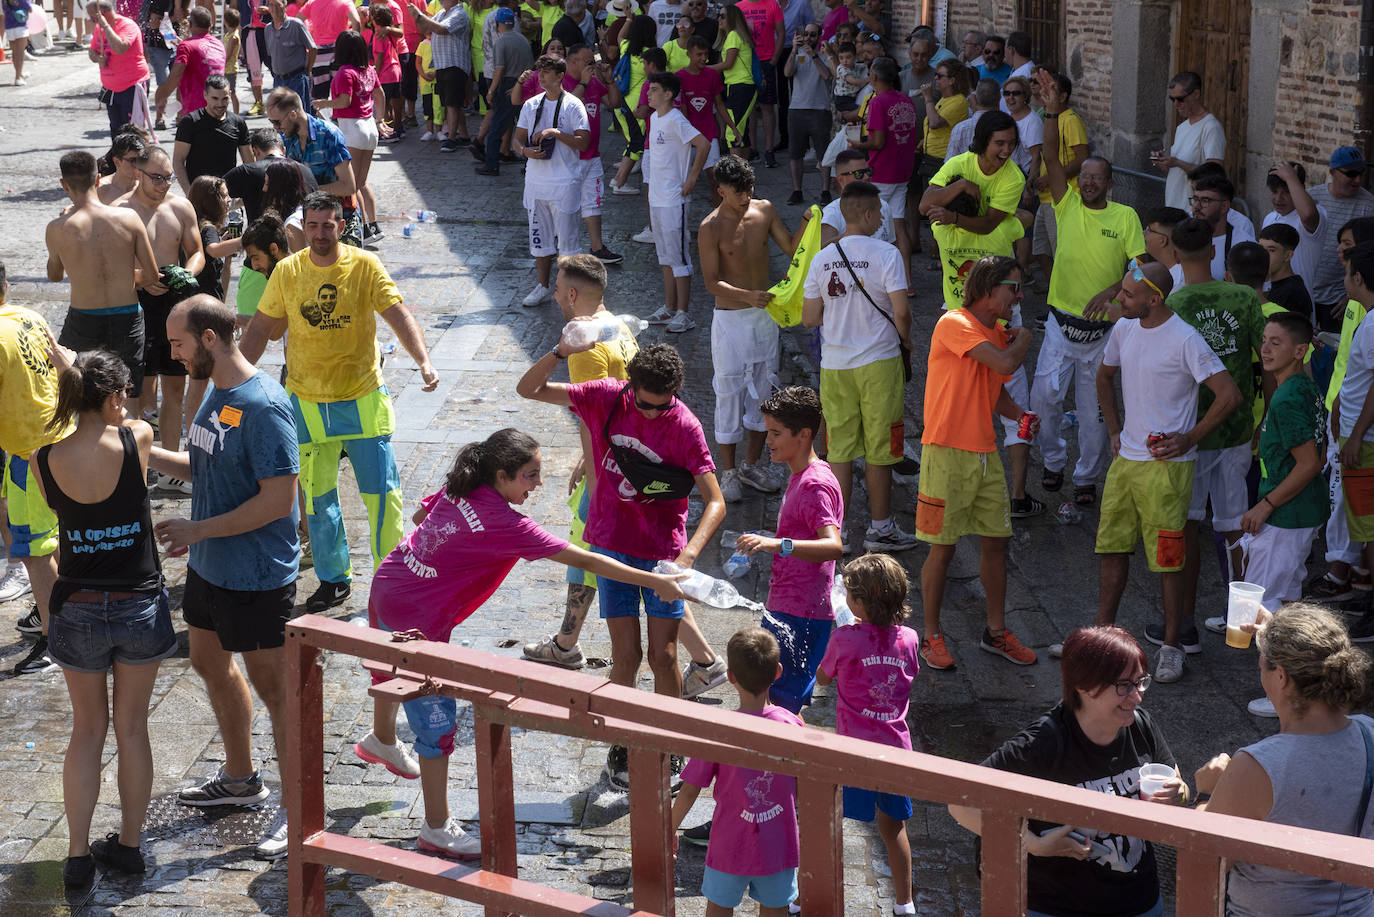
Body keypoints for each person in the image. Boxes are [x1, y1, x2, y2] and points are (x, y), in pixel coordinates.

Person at [361, 427, 687, 855]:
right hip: (418, 619)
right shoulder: (508, 524)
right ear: (502, 475)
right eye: (530, 475)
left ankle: (381, 738)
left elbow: (424, 522)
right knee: (438, 724)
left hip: (389, 583)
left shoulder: (465, 482)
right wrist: (651, 579)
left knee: (389, 667)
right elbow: (585, 558)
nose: (538, 484)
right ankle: (436, 828)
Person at [516, 343, 726, 789]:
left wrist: (686, 557)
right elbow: (528, 389)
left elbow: (716, 502)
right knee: (626, 657)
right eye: (644, 404)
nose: (652, 414)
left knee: (664, 656)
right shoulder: (604, 396)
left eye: (661, 405)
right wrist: (558, 351)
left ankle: (667, 743)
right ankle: (626, 740)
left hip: (660, 554)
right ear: (629, 385)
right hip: (611, 546)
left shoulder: (685, 425)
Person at [140, 297, 299, 861]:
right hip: (211, 569)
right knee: (208, 663)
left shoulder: (264, 407)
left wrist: (200, 529)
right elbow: (204, 466)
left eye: (177, 343)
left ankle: (299, 810)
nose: (171, 353)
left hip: (256, 576)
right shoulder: (216, 395)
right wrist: (142, 453)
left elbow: (280, 501)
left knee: (279, 692)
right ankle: (240, 780)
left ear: (208, 339)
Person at [241, 191, 439, 612]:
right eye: (311, 226)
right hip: (307, 402)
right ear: (304, 227)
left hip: (362, 397)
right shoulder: (288, 271)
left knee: (382, 496)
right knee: (318, 499)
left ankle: (392, 575)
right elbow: (261, 329)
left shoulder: (365, 266)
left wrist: (423, 360)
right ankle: (334, 579)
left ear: (342, 224)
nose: (319, 234)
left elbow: (398, 313)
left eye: (327, 225)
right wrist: (233, 380)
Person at [30, 347, 174, 885]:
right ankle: (131, 846)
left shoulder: (43, 459)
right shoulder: (136, 438)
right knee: (132, 730)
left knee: (86, 731)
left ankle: (76, 855)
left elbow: (53, 512)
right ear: (114, 396)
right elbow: (132, 423)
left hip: (79, 607)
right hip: (137, 603)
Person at [949, 626, 1185, 917]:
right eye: (1124, 685)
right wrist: (1033, 844)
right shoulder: (1044, 742)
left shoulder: (1142, 725)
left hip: (1138, 900)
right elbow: (960, 800)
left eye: (1140, 682)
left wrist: (1178, 793)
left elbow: (1177, 783)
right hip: (1057, 906)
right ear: (1084, 686)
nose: (1136, 697)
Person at [1092, 261, 1240, 682]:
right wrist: (1115, 429)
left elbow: (1228, 395)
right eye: (1120, 290)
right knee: (1112, 549)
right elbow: (1104, 377)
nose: (1118, 299)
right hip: (1127, 463)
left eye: (1127, 294)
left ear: (1154, 299)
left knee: (1168, 561)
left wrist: (1189, 438)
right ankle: (1101, 636)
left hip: (1168, 469)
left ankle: (1173, 646)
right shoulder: (1124, 328)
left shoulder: (1186, 339)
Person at [1194, 605, 1374, 913]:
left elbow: (1203, 861)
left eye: (1262, 664)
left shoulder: (1258, 766)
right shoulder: (1369, 734)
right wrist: (1283, 630)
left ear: (1281, 676)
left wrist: (1207, 793)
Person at [915, 255, 1039, 670]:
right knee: (942, 550)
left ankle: (996, 632)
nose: (1018, 298)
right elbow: (1005, 363)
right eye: (1013, 288)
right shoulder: (955, 323)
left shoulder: (996, 333)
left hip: (986, 455)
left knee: (995, 546)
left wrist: (1018, 414)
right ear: (988, 287)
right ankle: (930, 636)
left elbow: (995, 387)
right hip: (945, 453)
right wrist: (1024, 338)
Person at [1029, 71, 1146, 505]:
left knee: (1095, 414)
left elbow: (1142, 267)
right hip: (1061, 326)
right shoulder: (1067, 205)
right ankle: (1055, 462)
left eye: (1099, 177)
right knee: (1045, 400)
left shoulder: (1126, 217)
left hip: (1102, 334)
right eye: (1087, 177)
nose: (1091, 182)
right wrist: (1053, 110)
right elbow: (1054, 162)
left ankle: (1085, 478)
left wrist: (1114, 289)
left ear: (1110, 184)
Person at [922, 112, 1040, 517]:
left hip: (956, 322)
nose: (1007, 153)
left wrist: (952, 207)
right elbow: (1007, 222)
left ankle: (960, 479)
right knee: (1013, 406)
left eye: (1011, 145)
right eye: (1000, 145)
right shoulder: (1004, 228)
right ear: (983, 142)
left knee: (965, 402)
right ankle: (1016, 492)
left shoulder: (941, 228)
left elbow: (929, 206)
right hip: (1002, 326)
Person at [1158, 218, 1265, 666]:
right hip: (1238, 427)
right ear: (1215, 251)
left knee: (1187, 525)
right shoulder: (1245, 297)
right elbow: (1268, 359)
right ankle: (1242, 621)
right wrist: (1266, 419)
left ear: (1176, 254)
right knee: (1236, 528)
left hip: (1192, 431)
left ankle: (1183, 623)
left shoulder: (1174, 303)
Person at [1219, 313, 1327, 717]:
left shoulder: (1287, 398)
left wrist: (1265, 505)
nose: (1265, 348)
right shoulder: (1300, 387)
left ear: (1300, 351)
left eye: (1276, 342)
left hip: (1288, 516)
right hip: (1297, 513)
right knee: (1285, 596)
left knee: (1274, 606)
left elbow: (1308, 463)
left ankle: (1287, 691)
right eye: (1264, 340)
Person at [802, 181, 915, 553]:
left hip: (835, 366)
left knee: (840, 451)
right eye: (879, 212)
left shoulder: (821, 258)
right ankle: (881, 527)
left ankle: (839, 531)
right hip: (880, 363)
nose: (882, 218)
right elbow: (901, 310)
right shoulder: (887, 254)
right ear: (867, 214)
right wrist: (906, 338)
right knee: (883, 449)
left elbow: (810, 317)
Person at [670, 627, 803, 917]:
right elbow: (807, 785)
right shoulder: (793, 726)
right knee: (776, 909)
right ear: (778, 671)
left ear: (730, 677)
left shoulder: (721, 731)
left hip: (729, 844)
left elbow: (691, 787)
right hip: (778, 845)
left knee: (718, 909)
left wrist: (668, 828)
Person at [816, 553, 919, 917]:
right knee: (894, 828)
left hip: (852, 751)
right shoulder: (909, 638)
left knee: (831, 822)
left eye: (848, 592)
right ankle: (905, 904)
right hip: (895, 750)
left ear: (858, 603)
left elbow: (824, 678)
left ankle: (808, 896)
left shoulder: (844, 639)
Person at [732, 386, 843, 713]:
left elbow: (833, 545)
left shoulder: (814, 485)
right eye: (768, 432)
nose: (768, 441)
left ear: (804, 435)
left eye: (776, 433)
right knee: (772, 700)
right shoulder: (805, 476)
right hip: (789, 605)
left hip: (800, 613)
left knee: (781, 705)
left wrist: (777, 544)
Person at [698, 154, 796, 498]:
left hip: (763, 316)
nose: (745, 195)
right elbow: (712, 282)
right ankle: (727, 472)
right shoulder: (710, 227)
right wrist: (748, 295)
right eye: (738, 190)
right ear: (721, 190)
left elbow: (793, 248)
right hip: (729, 320)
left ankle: (752, 466)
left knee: (764, 391)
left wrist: (810, 224)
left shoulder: (764, 210)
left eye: (749, 188)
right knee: (728, 393)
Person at [45, 150, 161, 431]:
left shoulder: (58, 228)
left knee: (77, 386)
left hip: (84, 316)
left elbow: (55, 275)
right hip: (127, 315)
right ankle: (130, 454)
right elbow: (151, 275)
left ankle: (85, 454)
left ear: (64, 184)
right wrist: (123, 276)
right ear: (98, 179)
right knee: (128, 389)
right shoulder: (129, 219)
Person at [120, 144, 206, 475]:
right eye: (157, 178)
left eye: (168, 178)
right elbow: (106, 266)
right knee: (135, 392)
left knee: (174, 386)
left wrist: (187, 273)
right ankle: (134, 467)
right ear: (138, 174)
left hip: (172, 301)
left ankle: (170, 465)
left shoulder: (181, 208)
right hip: (135, 304)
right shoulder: (120, 210)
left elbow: (197, 251)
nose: (164, 184)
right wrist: (140, 278)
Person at [0, 277, 67, 676]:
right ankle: (66, 618)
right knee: (54, 541)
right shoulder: (29, 316)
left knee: (35, 553)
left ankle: (56, 640)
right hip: (56, 438)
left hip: (30, 451)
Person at [511, 54, 589, 307]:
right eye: (539, 71)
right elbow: (517, 139)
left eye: (546, 72)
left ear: (559, 76)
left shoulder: (573, 105)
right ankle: (543, 286)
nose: (541, 76)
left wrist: (557, 133)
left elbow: (584, 142)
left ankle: (569, 291)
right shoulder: (531, 104)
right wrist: (524, 151)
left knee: (567, 243)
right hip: (536, 183)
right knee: (539, 239)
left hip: (565, 183)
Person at [640, 70, 710, 331]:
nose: (649, 92)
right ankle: (669, 308)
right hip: (657, 198)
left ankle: (685, 313)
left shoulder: (676, 119)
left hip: (674, 200)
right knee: (665, 256)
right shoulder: (655, 119)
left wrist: (692, 179)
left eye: (654, 89)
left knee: (679, 257)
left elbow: (703, 144)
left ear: (668, 94)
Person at [1333, 241, 1374, 642]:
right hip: (1357, 436)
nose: (1343, 280)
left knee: (1370, 527)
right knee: (1364, 527)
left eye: (1346, 273)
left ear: (1358, 278)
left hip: (1366, 443)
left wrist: (1356, 434)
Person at [314, 30, 388, 244]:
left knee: (350, 185)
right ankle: (373, 226)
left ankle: (363, 229)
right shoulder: (369, 70)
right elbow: (380, 94)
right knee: (362, 182)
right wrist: (380, 120)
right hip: (369, 129)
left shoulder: (346, 72)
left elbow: (344, 101)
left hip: (352, 129)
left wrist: (323, 103)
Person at [849, 57, 916, 291]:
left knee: (874, 225)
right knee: (899, 225)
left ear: (874, 78)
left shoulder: (878, 102)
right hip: (903, 170)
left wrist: (858, 146)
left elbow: (877, 141)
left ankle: (876, 280)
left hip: (882, 172)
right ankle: (906, 280)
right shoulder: (905, 100)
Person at [264, 87, 361, 239]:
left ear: (293, 114)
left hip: (339, 220)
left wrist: (309, 192)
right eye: (271, 121)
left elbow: (348, 186)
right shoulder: (287, 138)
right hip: (308, 221)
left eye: (277, 122)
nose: (275, 127)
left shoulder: (329, 135)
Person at [564, 43, 623, 264]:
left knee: (593, 201)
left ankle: (597, 247)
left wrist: (608, 80)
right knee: (567, 203)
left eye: (593, 61)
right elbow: (566, 106)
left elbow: (614, 103)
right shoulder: (564, 83)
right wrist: (584, 83)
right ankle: (566, 246)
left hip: (593, 155)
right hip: (570, 156)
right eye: (588, 62)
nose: (593, 66)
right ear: (572, 62)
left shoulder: (595, 83)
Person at [1029, 71, 1089, 283]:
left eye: (1051, 88)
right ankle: (1055, 294)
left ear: (1062, 96)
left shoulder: (1071, 120)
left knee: (1061, 254)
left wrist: (1052, 178)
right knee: (1039, 251)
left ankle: (1064, 301)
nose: (1043, 91)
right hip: (1046, 199)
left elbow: (1082, 159)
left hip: (1064, 198)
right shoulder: (1048, 117)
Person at [1308, 146, 1374, 332]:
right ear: (1332, 172)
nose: (1358, 180)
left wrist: (1352, 294)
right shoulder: (1312, 198)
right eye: (1351, 174)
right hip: (1307, 291)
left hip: (1340, 299)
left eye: (1361, 173)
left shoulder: (1369, 205)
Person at [677, 35, 737, 207]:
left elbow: (719, 104)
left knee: (715, 177)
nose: (704, 58)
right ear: (688, 54)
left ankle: (719, 212)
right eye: (699, 55)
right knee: (683, 178)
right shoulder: (679, 77)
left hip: (709, 133)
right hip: (686, 138)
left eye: (706, 54)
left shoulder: (712, 75)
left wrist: (732, 127)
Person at [1153, 71, 1224, 211]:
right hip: (1173, 206)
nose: (1176, 104)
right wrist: (1164, 164)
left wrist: (1178, 163)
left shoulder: (1211, 128)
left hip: (1194, 211)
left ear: (1196, 94)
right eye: (1172, 99)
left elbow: (1214, 174)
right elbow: (1177, 176)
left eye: (1180, 99)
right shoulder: (1182, 128)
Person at [172, 73, 251, 192]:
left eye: (225, 99)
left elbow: (249, 163)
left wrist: (243, 193)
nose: (220, 104)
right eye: (215, 98)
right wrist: (190, 193)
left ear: (230, 95)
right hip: (199, 193)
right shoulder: (190, 122)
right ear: (205, 95)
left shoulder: (238, 123)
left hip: (227, 195)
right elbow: (178, 162)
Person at [476, 8, 532, 174]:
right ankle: (531, 166)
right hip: (526, 85)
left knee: (497, 128)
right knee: (527, 127)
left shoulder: (500, 42)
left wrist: (491, 91)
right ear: (513, 22)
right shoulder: (523, 39)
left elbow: (499, 69)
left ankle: (492, 165)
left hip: (508, 84)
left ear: (497, 23)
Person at [411, 0, 472, 152]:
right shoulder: (440, 13)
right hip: (442, 65)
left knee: (451, 104)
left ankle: (451, 139)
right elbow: (425, 28)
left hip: (455, 64)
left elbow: (442, 29)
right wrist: (417, 18)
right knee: (452, 103)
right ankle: (464, 136)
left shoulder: (459, 13)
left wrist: (419, 15)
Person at [1262, 161, 1325, 304]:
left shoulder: (1316, 215)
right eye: (1274, 191)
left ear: (1300, 188)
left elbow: (1308, 214)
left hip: (1298, 302)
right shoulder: (1269, 218)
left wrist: (1291, 178)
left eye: (1287, 191)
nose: (1278, 199)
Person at [783, 23, 831, 205]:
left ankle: (825, 190)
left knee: (823, 154)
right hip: (797, 109)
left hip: (820, 109)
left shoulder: (824, 55)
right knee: (795, 153)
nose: (809, 38)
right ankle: (797, 190)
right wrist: (794, 50)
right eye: (806, 34)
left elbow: (827, 75)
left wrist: (814, 55)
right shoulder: (797, 54)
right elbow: (787, 72)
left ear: (819, 36)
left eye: (812, 35)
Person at [87, 0, 151, 136]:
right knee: (116, 130)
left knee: (133, 132)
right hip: (111, 88)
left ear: (102, 13)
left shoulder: (127, 26)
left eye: (92, 16)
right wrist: (98, 58)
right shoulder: (99, 28)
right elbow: (92, 52)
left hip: (132, 85)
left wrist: (105, 25)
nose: (90, 20)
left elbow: (120, 48)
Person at [153, 6, 225, 124]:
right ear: (210, 25)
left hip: (197, 112)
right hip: (219, 109)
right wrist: (185, 46)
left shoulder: (187, 46)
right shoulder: (219, 45)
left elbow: (177, 72)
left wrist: (163, 96)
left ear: (190, 24)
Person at [820, 148, 895, 245]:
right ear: (841, 179)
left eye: (868, 171)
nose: (866, 177)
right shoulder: (831, 215)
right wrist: (853, 233)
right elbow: (824, 251)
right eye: (858, 174)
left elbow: (892, 245)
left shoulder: (883, 206)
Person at [713, 5, 757, 160]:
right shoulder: (736, 35)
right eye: (719, 15)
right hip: (739, 87)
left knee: (733, 132)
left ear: (732, 18)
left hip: (741, 86)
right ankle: (743, 176)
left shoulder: (733, 35)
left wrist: (704, 69)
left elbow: (728, 64)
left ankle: (735, 177)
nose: (719, 19)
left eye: (723, 16)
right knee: (741, 133)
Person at [187, 175, 240, 301]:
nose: (229, 200)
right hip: (206, 300)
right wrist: (247, 239)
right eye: (225, 196)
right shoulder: (208, 228)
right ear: (212, 201)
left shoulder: (193, 225)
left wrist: (224, 245)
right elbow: (213, 250)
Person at [262, 0, 317, 110]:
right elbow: (271, 53)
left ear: (284, 6)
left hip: (296, 79)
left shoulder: (296, 25)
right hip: (278, 80)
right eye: (271, 5)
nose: (274, 8)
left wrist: (308, 69)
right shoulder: (268, 29)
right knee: (280, 114)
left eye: (278, 4)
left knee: (299, 115)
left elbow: (313, 48)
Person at [303, 0, 361, 103]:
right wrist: (353, 46)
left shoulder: (312, 2)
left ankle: (321, 118)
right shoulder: (346, 2)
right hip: (340, 49)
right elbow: (356, 23)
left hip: (319, 52)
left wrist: (308, 40)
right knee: (342, 92)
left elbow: (298, 20)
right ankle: (338, 118)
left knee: (319, 95)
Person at [1257, 223, 1315, 321]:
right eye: (1260, 249)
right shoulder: (1284, 288)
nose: (1263, 255)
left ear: (1288, 256)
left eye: (1271, 250)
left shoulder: (1291, 294)